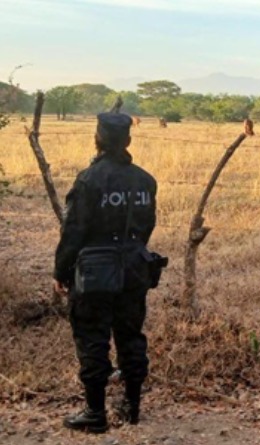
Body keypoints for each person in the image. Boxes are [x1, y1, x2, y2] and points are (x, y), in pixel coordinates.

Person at [53, 113, 158, 433]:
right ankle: (132, 406)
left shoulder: (89, 180)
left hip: (95, 272)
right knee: (131, 336)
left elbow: (74, 231)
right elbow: (147, 225)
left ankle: (95, 413)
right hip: (135, 268)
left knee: (92, 338)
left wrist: (61, 270)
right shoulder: (145, 180)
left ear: (98, 140)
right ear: (127, 140)